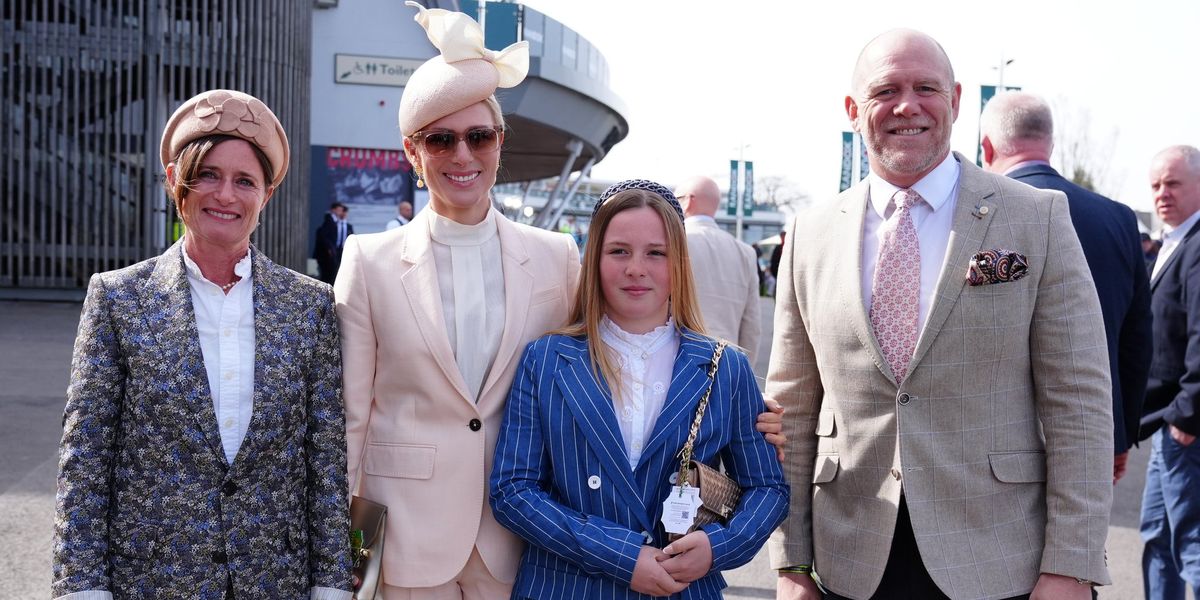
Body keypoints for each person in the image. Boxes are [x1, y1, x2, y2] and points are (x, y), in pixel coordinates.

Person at [767, 29, 1112, 600]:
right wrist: (791, 563)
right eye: (886, 91)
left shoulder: (1037, 218)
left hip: (1001, 562)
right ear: (853, 110)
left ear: (954, 100)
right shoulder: (810, 234)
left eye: (926, 88)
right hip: (847, 562)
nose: (908, 106)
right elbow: (792, 409)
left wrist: (1072, 565)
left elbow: (1079, 403)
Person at [52, 89, 352, 599]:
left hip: (275, 582)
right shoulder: (118, 299)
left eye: (245, 181)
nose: (225, 195)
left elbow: (324, 461)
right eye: (208, 175)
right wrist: (81, 587)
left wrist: (331, 583)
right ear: (175, 180)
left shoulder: (310, 305)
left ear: (267, 194)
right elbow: (85, 457)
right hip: (151, 582)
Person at [334, 4, 580, 597]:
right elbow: (349, 419)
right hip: (404, 540)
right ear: (412, 152)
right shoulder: (368, 261)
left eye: (479, 136)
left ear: (500, 142)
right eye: (440, 140)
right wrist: (346, 564)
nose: (462, 155)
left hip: (522, 537)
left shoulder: (557, 257)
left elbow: (599, 381)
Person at [489, 179, 789, 599]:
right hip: (565, 586)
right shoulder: (547, 360)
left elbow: (767, 488)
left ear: (679, 262)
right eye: (618, 251)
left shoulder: (725, 367)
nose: (636, 268)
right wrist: (621, 556)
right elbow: (513, 491)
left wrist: (717, 547)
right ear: (594, 259)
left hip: (681, 586)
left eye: (656, 253)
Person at [980, 91, 1152, 483]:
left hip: (992, 445)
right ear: (1051, 144)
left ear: (987, 148)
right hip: (1093, 436)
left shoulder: (976, 218)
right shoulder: (1118, 219)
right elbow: (1136, 341)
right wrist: (1119, 434)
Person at [1138, 145, 1200, 600]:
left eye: (1173, 183)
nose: (1162, 193)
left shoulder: (1196, 247)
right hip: (1168, 424)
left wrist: (1187, 415)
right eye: (1156, 185)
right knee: (1159, 538)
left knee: (1192, 546)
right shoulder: (1174, 242)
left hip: (1185, 427)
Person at [675, 175, 762, 364]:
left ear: (688, 200)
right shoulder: (745, 252)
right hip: (728, 362)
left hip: (678, 362)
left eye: (677, 199)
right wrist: (745, 370)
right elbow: (752, 324)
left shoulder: (674, 242)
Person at [314, 201, 353, 283]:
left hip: (336, 251)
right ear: (333, 210)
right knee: (328, 275)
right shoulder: (329, 221)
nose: (341, 213)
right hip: (328, 254)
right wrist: (330, 249)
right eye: (339, 210)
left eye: (342, 211)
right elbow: (324, 237)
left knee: (332, 274)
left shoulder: (335, 222)